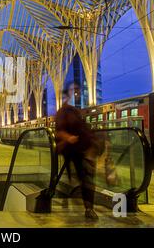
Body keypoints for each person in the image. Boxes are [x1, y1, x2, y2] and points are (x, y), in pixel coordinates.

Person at [55, 82, 99, 220]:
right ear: (67, 94)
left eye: (77, 91)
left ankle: (87, 206)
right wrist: (69, 138)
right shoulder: (63, 112)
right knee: (84, 176)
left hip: (81, 148)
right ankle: (87, 207)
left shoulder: (75, 111)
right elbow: (59, 131)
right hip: (71, 149)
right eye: (74, 91)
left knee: (83, 176)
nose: (77, 93)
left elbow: (83, 128)